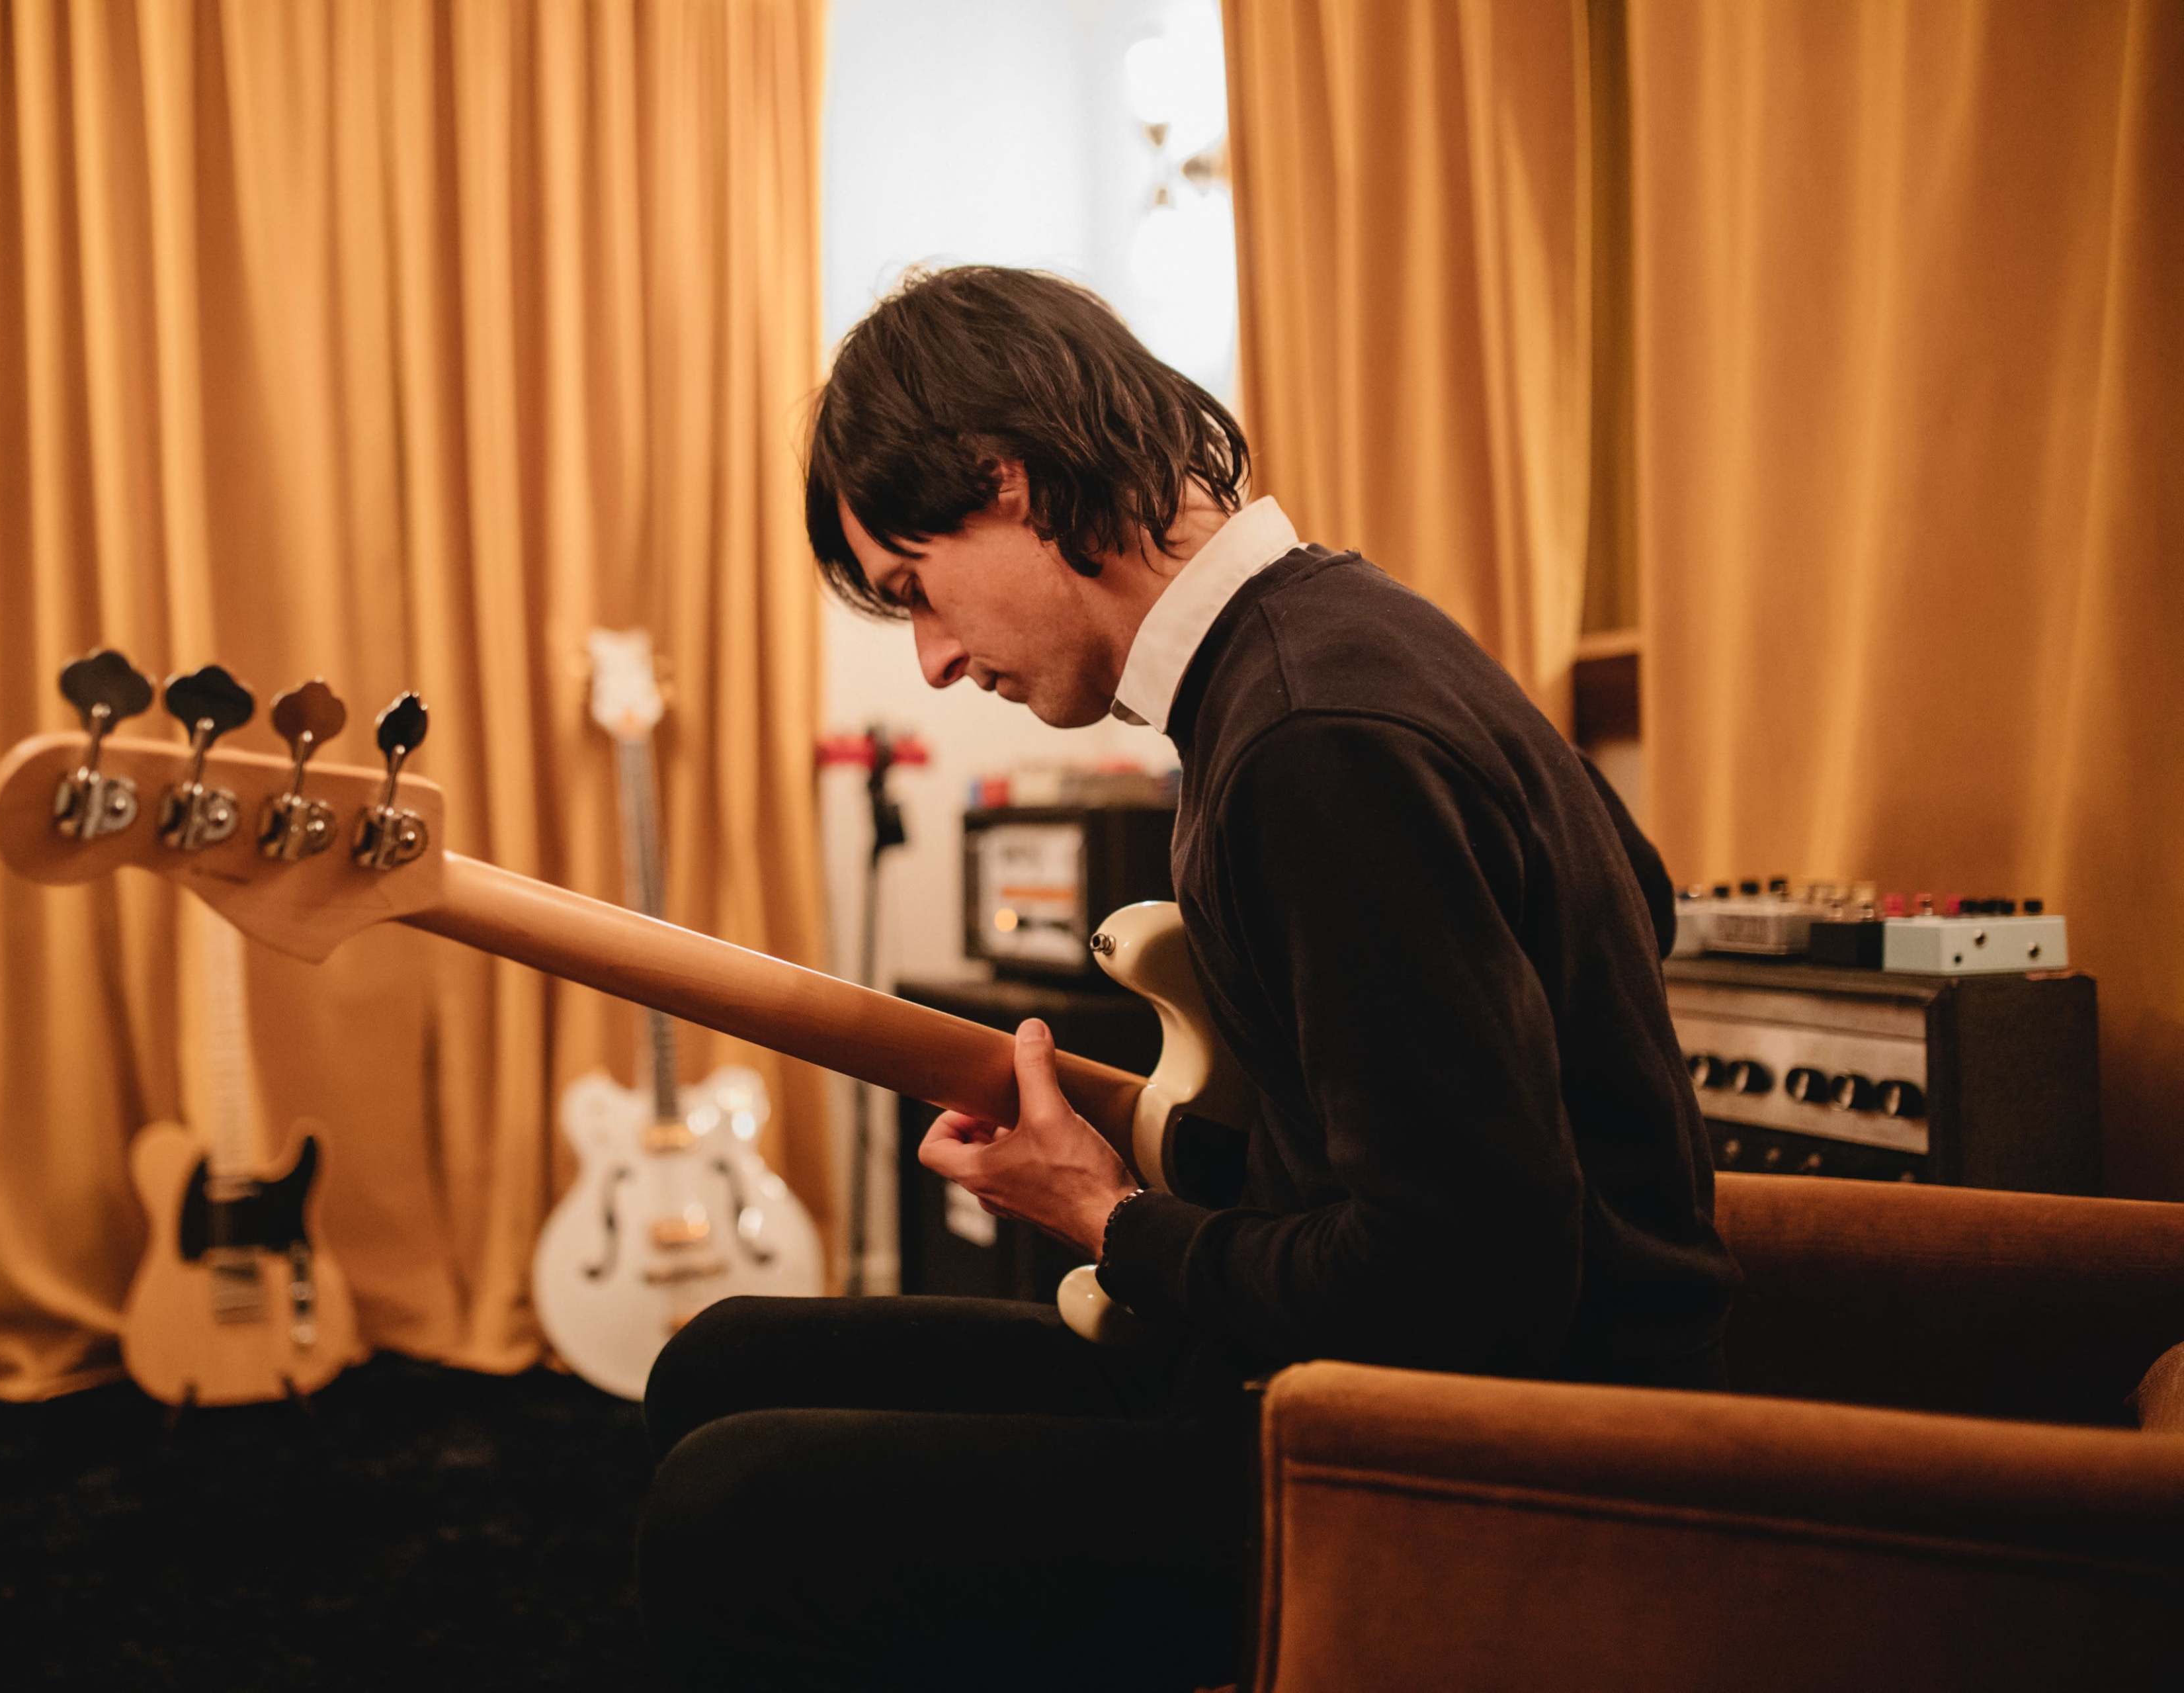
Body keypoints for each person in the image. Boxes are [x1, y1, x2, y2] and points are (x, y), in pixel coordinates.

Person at [636, 266, 1738, 1693]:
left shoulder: (1308, 736)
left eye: (919, 588)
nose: (935, 659)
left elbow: (1466, 1285)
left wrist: (1106, 1211)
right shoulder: (1338, 631)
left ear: (1011, 481)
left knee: (738, 1512)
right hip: (1346, 1374)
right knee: (718, 1358)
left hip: (1483, 1458)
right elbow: (1624, 900)